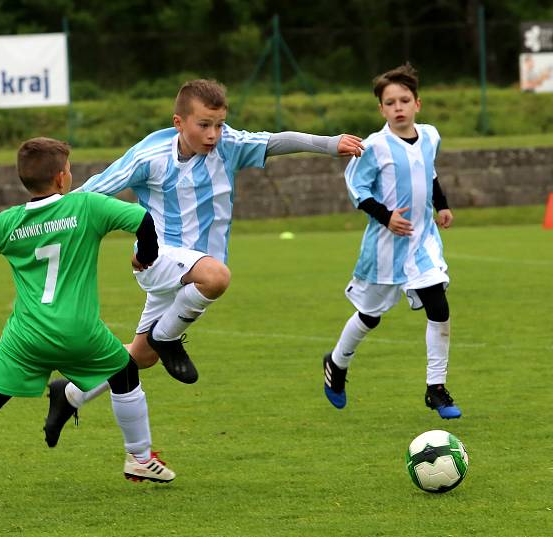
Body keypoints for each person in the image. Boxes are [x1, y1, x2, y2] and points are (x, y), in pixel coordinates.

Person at [43, 78, 365, 447]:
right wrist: (44, 213)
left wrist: (329, 144)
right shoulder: (151, 156)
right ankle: (169, 337)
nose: (213, 134)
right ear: (179, 122)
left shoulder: (228, 146)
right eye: (203, 125)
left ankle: (70, 394)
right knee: (217, 277)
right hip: (158, 259)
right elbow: (93, 191)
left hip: (189, 273)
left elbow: (276, 141)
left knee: (141, 357)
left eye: (219, 124)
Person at [0, 138, 173, 513]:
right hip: (79, 332)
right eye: (68, 169)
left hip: (25, 337)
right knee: (126, 373)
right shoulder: (86, 206)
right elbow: (142, 219)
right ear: (60, 178)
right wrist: (145, 257)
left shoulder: (12, 222)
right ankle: (138, 457)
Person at [322, 63, 462, 419]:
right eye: (390, 102)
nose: (398, 107)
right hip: (384, 247)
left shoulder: (430, 135)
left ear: (418, 103)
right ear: (381, 109)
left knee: (439, 306)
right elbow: (358, 189)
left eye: (404, 100)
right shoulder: (373, 146)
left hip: (422, 242)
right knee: (369, 316)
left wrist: (441, 205)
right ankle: (336, 364)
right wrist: (386, 216)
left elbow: (429, 172)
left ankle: (436, 388)